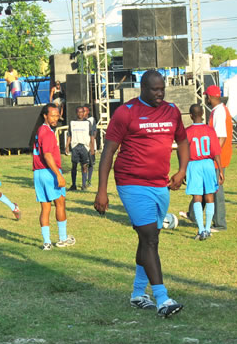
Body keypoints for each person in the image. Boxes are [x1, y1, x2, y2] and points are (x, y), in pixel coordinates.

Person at [94, 70, 189, 318]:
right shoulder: (126, 112)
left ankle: (138, 294)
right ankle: (162, 298)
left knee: (149, 238)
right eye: (155, 89)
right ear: (142, 88)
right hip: (131, 182)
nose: (160, 93)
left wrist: (181, 170)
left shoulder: (172, 111)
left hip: (160, 185)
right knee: (150, 238)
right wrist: (102, 190)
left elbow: (183, 140)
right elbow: (108, 152)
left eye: (162, 89)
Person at [30, 104, 74, 250]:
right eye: (53, 115)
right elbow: (47, 155)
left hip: (38, 173)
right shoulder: (47, 132)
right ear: (45, 116)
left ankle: (47, 242)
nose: (56, 119)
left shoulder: (39, 130)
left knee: (45, 207)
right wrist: (58, 175)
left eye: (57, 116)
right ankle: (62, 238)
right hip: (49, 172)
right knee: (60, 203)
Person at [185, 104, 224, 241]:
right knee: (209, 196)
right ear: (202, 114)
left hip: (194, 164)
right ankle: (207, 229)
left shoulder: (187, 131)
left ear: (190, 115)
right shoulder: (210, 130)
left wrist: (182, 170)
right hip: (208, 164)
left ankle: (201, 230)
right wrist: (219, 169)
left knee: (197, 197)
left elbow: (184, 153)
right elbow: (216, 151)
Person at [66, 106, 96, 190]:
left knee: (84, 166)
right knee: (74, 166)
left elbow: (91, 136)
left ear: (84, 113)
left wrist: (92, 148)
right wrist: (67, 146)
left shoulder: (87, 123)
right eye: (78, 112)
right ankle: (73, 185)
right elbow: (69, 135)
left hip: (85, 147)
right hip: (75, 146)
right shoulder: (72, 122)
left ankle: (83, 184)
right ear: (76, 113)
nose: (80, 114)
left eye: (82, 112)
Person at [83, 104, 97, 187]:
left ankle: (89, 181)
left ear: (88, 111)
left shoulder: (91, 120)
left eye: (85, 111)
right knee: (84, 164)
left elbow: (95, 131)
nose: (83, 112)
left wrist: (91, 141)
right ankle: (84, 182)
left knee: (91, 164)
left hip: (91, 144)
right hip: (83, 145)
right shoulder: (79, 121)